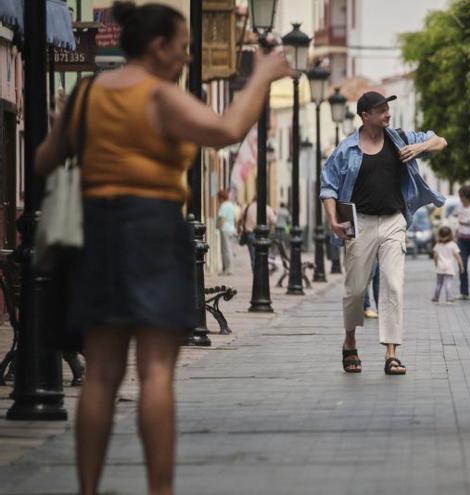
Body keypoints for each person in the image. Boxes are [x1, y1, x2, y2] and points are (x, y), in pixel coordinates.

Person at [34, 2, 293, 494]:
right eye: (183, 47)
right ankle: (160, 490)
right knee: (155, 372)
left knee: (100, 374)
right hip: (152, 228)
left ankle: (87, 488)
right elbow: (226, 130)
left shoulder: (86, 95)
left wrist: (66, 125)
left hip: (96, 231)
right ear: (157, 48)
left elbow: (45, 160)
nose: (187, 57)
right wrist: (261, 75)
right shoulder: (159, 94)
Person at [321, 90, 447, 375]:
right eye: (381, 110)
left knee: (392, 284)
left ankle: (391, 353)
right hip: (360, 223)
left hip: (393, 221)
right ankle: (350, 342)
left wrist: (419, 148)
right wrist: (332, 220)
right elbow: (328, 186)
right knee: (355, 290)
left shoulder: (399, 138)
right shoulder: (347, 149)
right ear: (365, 116)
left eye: (387, 109)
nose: (387, 114)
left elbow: (440, 141)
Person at [238, 197, 277, 270]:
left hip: (250, 234)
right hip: (263, 236)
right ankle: (263, 272)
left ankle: (255, 274)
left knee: (253, 257)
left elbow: (240, 219)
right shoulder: (267, 208)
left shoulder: (247, 207)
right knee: (263, 256)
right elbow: (274, 221)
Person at [432, 226, 464, 304]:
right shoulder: (453, 245)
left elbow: (435, 256)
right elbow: (458, 256)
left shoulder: (438, 245)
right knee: (448, 283)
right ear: (451, 235)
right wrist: (461, 265)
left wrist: (436, 264)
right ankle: (449, 299)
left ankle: (436, 298)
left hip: (440, 267)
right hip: (449, 267)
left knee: (439, 283)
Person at [217, 190, 237, 275]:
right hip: (231, 229)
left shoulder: (224, 206)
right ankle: (229, 268)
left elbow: (222, 218)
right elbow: (235, 218)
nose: (218, 200)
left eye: (218, 198)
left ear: (221, 198)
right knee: (230, 249)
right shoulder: (231, 205)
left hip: (225, 229)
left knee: (225, 250)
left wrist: (219, 227)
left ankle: (227, 269)